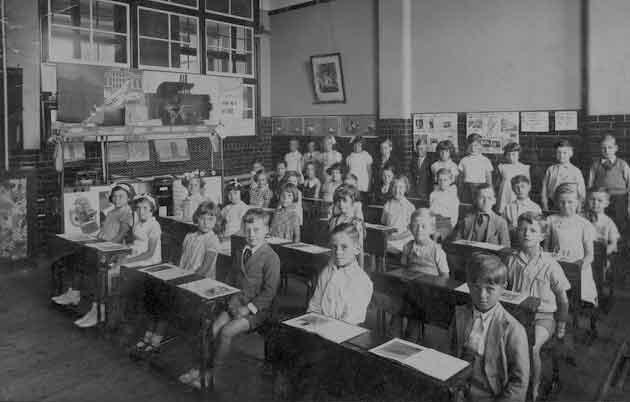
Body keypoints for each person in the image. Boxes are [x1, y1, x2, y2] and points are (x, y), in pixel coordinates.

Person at [198, 209, 280, 388]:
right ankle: (205, 369)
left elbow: (269, 292)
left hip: (257, 310)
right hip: (235, 303)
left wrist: (248, 309)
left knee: (226, 331)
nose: (251, 235)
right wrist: (225, 296)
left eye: (256, 230)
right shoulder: (240, 251)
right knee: (214, 328)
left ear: (267, 230)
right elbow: (230, 279)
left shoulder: (271, 257)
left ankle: (215, 375)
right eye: (248, 229)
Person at [138, 202, 221, 355]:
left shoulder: (212, 240)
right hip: (183, 278)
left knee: (165, 299)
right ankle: (149, 333)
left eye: (210, 219)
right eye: (202, 218)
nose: (205, 222)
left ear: (216, 222)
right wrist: (172, 270)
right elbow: (182, 260)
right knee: (155, 292)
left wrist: (183, 280)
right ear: (196, 218)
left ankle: (157, 337)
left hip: (199, 284)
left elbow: (204, 268)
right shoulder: (189, 236)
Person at [506, 212, 570, 402]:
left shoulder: (551, 264)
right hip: (516, 314)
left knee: (531, 347)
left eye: (533, 230)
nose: (526, 234)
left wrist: (561, 325)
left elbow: (562, 299)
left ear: (542, 236)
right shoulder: (511, 259)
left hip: (543, 318)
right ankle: (507, 380)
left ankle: (533, 386)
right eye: (523, 229)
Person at [450, 253, 530, 402]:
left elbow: (519, 384)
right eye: (476, 287)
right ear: (468, 284)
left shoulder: (513, 329)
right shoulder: (461, 315)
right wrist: (456, 390)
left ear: (503, 287)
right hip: (461, 392)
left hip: (493, 396)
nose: (482, 295)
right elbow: (452, 357)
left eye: (490, 289)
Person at [52, 183, 134, 316]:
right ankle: (74, 293)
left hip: (113, 251)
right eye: (115, 196)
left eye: (121, 196)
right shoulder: (113, 211)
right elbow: (104, 231)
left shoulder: (126, 212)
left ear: (128, 198)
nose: (117, 199)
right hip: (102, 246)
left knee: (87, 262)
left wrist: (107, 246)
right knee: (78, 257)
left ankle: (91, 305)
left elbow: (122, 234)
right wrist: (94, 238)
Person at [393, 208, 450, 339]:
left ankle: (412, 339)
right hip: (409, 288)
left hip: (428, 292)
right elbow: (403, 268)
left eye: (424, 226)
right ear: (410, 228)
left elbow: (445, 276)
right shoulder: (407, 246)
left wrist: (437, 290)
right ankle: (393, 336)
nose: (419, 230)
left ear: (432, 229)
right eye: (415, 226)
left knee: (414, 312)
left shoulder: (437, 250)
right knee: (396, 307)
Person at [307, 222, 373, 325]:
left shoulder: (362, 281)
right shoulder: (327, 272)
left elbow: (348, 321)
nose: (338, 252)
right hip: (320, 326)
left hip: (344, 333)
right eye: (334, 247)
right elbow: (314, 305)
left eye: (344, 247)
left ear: (357, 249)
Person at [545, 183, 598, 306]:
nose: (566, 206)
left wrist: (580, 265)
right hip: (556, 263)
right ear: (557, 202)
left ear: (578, 202)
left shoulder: (584, 224)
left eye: (570, 202)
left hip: (577, 264)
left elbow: (590, 255)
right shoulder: (551, 220)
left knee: (579, 279)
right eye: (562, 202)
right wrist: (548, 260)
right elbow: (546, 247)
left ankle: (578, 302)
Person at [587, 134, 630, 232]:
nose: (606, 150)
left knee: (619, 223)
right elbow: (590, 184)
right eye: (603, 148)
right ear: (600, 149)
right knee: (601, 222)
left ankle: (618, 244)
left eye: (610, 147)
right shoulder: (595, 165)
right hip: (600, 199)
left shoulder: (622, 164)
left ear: (616, 148)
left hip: (619, 199)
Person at [541, 140, 585, 211]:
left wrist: (578, 208)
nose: (561, 156)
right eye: (558, 153)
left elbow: (581, 193)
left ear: (571, 153)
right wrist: (545, 205)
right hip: (553, 205)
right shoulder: (551, 170)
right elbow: (544, 189)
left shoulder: (576, 171)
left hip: (570, 205)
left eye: (565, 153)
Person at [328, 185, 365, 255]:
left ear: (352, 202)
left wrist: (360, 266)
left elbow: (360, 249)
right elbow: (332, 246)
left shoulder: (357, 223)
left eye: (345, 201)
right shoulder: (334, 221)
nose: (341, 204)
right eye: (339, 200)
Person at [584, 187, 620, 258]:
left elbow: (613, 243)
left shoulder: (608, 222)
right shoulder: (582, 219)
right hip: (583, 250)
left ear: (606, 203)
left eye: (599, 201)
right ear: (587, 200)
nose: (595, 203)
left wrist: (605, 252)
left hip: (599, 254)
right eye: (592, 199)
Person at [458, 134, 493, 204]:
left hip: (481, 188)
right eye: (470, 146)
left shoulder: (485, 160)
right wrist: (459, 191)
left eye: (476, 145)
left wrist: (490, 190)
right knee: (467, 207)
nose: (473, 148)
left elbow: (488, 177)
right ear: (467, 146)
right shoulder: (464, 160)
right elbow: (461, 178)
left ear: (480, 146)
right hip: (467, 188)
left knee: (480, 206)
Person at [496, 142, 530, 213]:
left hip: (518, 194)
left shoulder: (524, 168)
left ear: (518, 155)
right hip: (505, 196)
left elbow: (528, 185)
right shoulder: (502, 167)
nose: (511, 157)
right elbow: (498, 184)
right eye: (508, 155)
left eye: (514, 154)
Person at [381, 176, 415, 241]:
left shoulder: (410, 207)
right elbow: (384, 223)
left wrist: (397, 237)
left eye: (400, 187)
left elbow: (411, 230)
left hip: (404, 238)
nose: (397, 190)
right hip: (389, 238)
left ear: (406, 189)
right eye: (395, 187)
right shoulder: (387, 205)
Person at [345, 136, 373, 200]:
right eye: (355, 145)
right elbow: (348, 171)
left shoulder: (366, 155)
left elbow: (370, 171)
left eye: (359, 145)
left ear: (362, 146)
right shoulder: (349, 157)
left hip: (363, 185)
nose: (357, 147)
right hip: (352, 184)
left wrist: (369, 185)